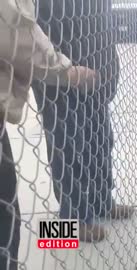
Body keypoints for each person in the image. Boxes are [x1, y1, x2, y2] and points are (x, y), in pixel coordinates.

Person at [0, 1, 97, 269]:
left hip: (76, 61)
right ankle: (70, 225)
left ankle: (97, 206)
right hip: (53, 69)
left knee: (90, 143)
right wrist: (64, 69)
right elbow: (17, 26)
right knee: (64, 145)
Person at [32, 0, 134, 243]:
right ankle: (73, 220)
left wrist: (110, 67)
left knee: (100, 140)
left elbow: (104, 23)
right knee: (67, 145)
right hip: (60, 75)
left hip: (96, 67)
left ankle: (102, 202)